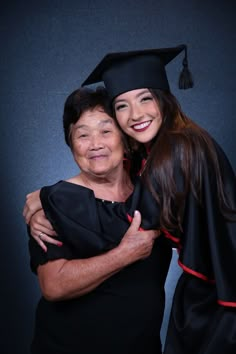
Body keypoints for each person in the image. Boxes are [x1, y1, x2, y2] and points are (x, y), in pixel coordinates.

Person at [24, 44, 236, 354]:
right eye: (121, 105)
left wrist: (48, 199)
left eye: (145, 98)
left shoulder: (178, 149)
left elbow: (129, 222)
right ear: (71, 144)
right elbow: (53, 285)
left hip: (214, 299)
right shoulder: (150, 159)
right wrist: (49, 201)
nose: (135, 114)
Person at [26, 86, 172, 354]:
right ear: (71, 144)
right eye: (82, 134)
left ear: (125, 138)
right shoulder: (57, 203)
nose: (95, 144)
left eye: (106, 131)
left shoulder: (153, 191)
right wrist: (124, 254)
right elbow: (53, 286)